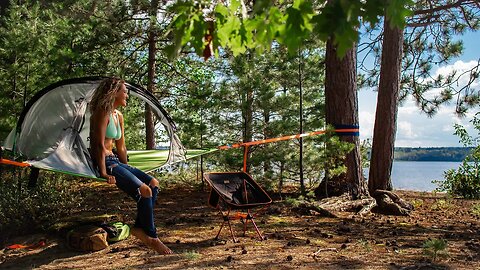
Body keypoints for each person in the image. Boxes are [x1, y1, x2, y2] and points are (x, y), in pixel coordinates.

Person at [89, 77, 173, 255]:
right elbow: (97, 145)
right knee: (144, 191)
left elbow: (121, 147)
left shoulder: (118, 116)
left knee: (153, 184)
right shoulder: (102, 112)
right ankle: (152, 238)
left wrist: (128, 170)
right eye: (124, 91)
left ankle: (138, 228)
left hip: (117, 162)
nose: (127, 95)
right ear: (114, 92)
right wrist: (104, 173)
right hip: (104, 162)